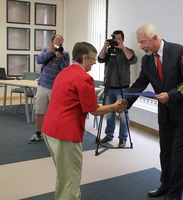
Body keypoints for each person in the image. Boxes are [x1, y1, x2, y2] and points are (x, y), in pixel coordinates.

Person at [123, 24, 183, 200]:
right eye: (139, 43)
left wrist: (171, 95)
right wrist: (126, 101)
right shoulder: (147, 60)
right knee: (165, 153)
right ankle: (165, 186)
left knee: (179, 156)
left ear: (155, 38)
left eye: (143, 42)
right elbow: (140, 83)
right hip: (165, 114)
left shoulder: (179, 51)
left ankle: (174, 195)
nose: (142, 46)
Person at [41, 42, 125, 200]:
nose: (95, 63)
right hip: (65, 133)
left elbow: (76, 102)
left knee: (64, 175)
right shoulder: (84, 78)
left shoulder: (65, 71)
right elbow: (94, 110)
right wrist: (114, 106)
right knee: (70, 179)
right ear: (84, 58)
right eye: (93, 59)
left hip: (50, 129)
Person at [98, 30, 137, 148]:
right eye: (114, 38)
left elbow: (133, 60)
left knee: (123, 115)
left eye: (118, 39)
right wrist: (104, 47)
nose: (116, 41)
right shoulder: (109, 51)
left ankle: (123, 138)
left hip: (123, 88)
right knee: (109, 114)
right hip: (109, 87)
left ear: (123, 39)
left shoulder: (127, 51)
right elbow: (100, 59)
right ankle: (109, 135)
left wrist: (123, 47)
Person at [28, 34, 70, 144]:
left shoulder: (65, 54)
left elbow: (66, 70)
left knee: (56, 113)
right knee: (39, 111)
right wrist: (50, 52)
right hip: (43, 85)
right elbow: (39, 60)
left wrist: (60, 58)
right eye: (56, 44)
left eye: (60, 44)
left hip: (56, 88)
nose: (58, 46)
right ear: (51, 43)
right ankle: (38, 134)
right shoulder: (46, 50)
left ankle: (55, 134)